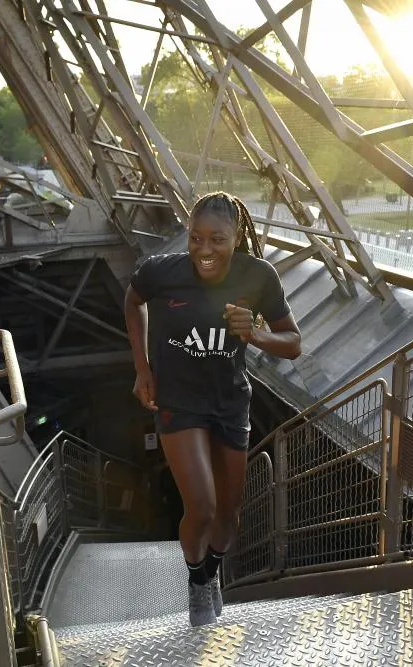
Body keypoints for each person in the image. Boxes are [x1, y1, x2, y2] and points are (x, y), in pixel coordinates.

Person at [124, 192, 302, 627]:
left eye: (217, 240)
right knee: (201, 506)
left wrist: (257, 335)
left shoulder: (258, 276)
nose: (205, 250)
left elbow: (293, 343)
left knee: (229, 511)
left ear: (237, 237)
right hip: (178, 403)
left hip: (228, 402)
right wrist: (142, 367)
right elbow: (133, 301)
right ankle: (197, 581)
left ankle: (212, 571)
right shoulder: (161, 273)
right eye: (196, 238)